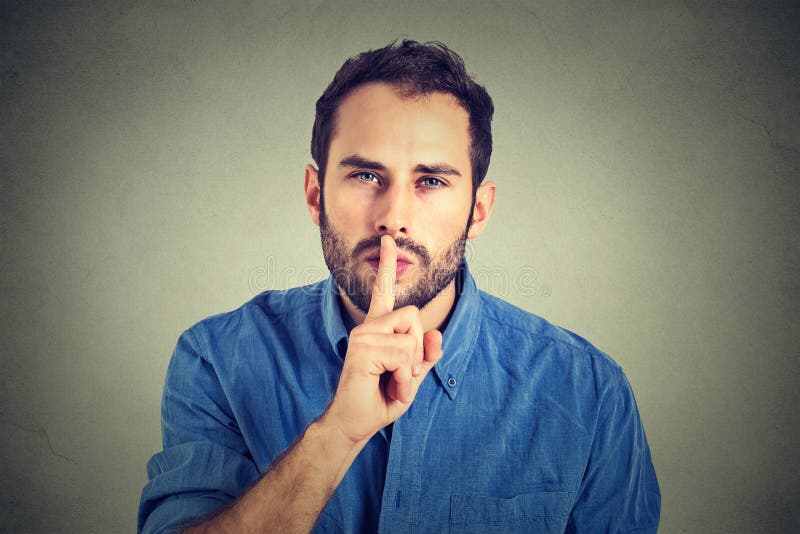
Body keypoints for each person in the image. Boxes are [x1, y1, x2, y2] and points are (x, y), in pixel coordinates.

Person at [138, 40, 660, 533]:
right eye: (366, 175)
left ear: (477, 211)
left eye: (431, 181)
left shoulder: (589, 393)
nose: (393, 218)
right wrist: (337, 434)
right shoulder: (217, 360)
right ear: (316, 196)